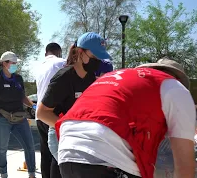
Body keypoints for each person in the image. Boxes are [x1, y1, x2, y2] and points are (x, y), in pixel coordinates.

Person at [55, 58, 195, 178]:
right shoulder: (177, 89)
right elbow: (184, 165)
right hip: (106, 156)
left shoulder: (126, 78)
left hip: (67, 151)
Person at [36, 32, 111, 177]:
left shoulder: (91, 78)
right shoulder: (64, 77)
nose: (98, 61)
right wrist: (68, 128)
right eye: (94, 57)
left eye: (100, 57)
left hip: (78, 135)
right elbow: (42, 113)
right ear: (80, 52)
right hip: (60, 136)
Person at [0, 51, 36, 178]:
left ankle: (32, 174)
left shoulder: (19, 79)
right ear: (4, 64)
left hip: (19, 117)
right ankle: (4, 174)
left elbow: (22, 97)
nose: (15, 65)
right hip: (0, 119)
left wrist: (32, 105)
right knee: (1, 148)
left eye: (16, 63)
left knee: (29, 146)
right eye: (13, 63)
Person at [35, 43, 66, 178]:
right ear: (59, 52)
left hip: (40, 116)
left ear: (46, 53)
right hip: (52, 114)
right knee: (57, 152)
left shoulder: (40, 67)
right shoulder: (61, 62)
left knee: (45, 153)